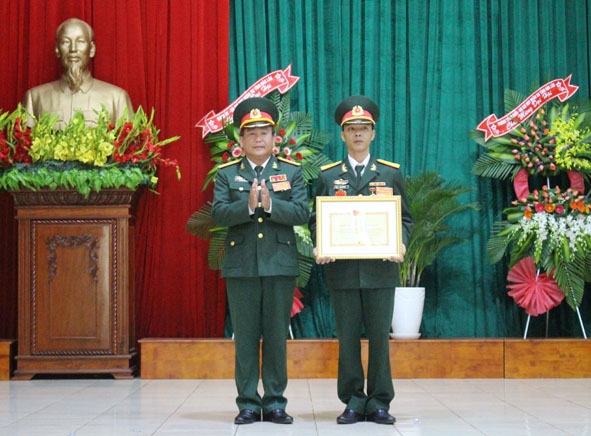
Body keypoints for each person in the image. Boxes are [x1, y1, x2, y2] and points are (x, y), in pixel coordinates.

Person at [309, 95, 413, 425]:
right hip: (341, 272)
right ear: (342, 134)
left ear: (373, 134)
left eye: (363, 128)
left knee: (380, 340)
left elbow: (406, 219)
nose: (357, 134)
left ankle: (380, 401)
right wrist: (319, 243)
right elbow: (316, 219)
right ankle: (353, 400)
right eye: (351, 128)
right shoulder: (328, 176)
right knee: (348, 339)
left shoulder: (390, 174)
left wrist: (400, 242)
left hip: (380, 270)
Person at [211, 97, 309, 425]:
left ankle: (276, 402)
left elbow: (301, 212)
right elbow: (218, 214)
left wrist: (270, 205)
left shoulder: (291, 172)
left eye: (264, 132)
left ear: (273, 137)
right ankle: (248, 403)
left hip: (279, 265)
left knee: (277, 336)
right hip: (242, 268)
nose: (257, 138)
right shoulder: (227, 175)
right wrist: (248, 206)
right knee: (247, 336)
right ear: (240, 139)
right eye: (250, 132)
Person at [22, 18, 133, 127]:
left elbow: (128, 142)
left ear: (92, 49)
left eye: (80, 42)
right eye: (66, 42)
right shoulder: (35, 98)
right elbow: (24, 142)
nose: (73, 49)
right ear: (57, 49)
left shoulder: (117, 98)